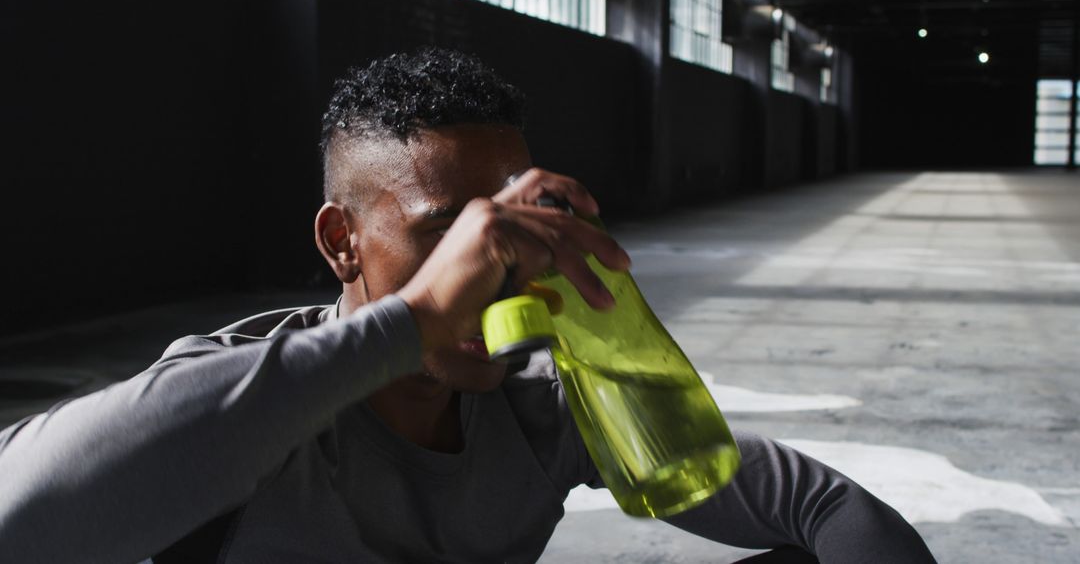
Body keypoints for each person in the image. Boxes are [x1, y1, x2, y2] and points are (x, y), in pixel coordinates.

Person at [0, 48, 937, 563]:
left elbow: (828, 508)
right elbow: (21, 516)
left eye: (513, 231)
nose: (498, 270)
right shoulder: (250, 402)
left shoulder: (542, 410)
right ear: (341, 241)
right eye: (451, 237)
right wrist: (412, 324)